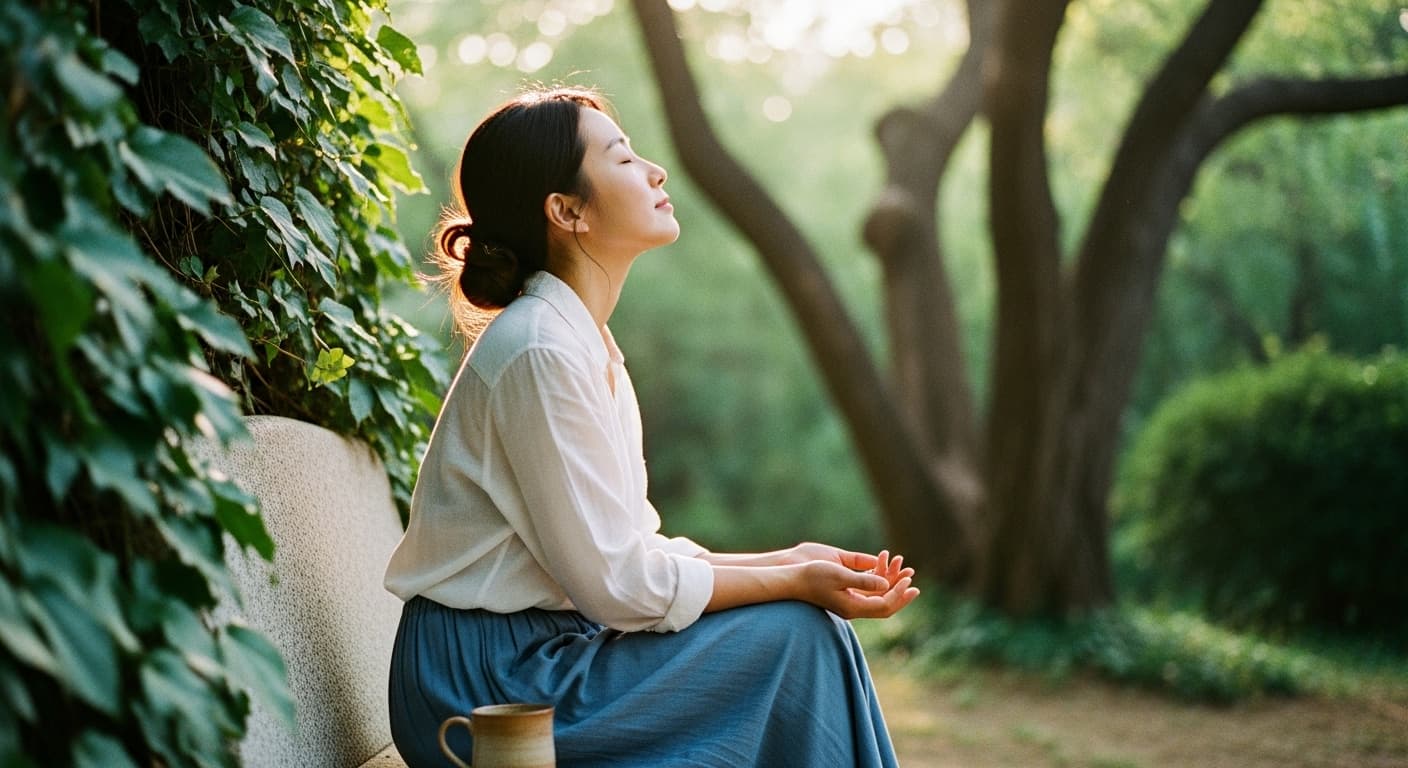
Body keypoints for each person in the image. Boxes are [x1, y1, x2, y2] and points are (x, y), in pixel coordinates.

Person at [383, 85, 920, 768]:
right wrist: (791, 582)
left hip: (544, 655)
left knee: (807, 630)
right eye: (623, 157)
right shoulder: (539, 350)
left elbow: (629, 552)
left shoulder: (582, 343)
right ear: (567, 210)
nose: (654, 171)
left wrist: (787, 560)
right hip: (486, 689)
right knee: (795, 632)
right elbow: (622, 587)